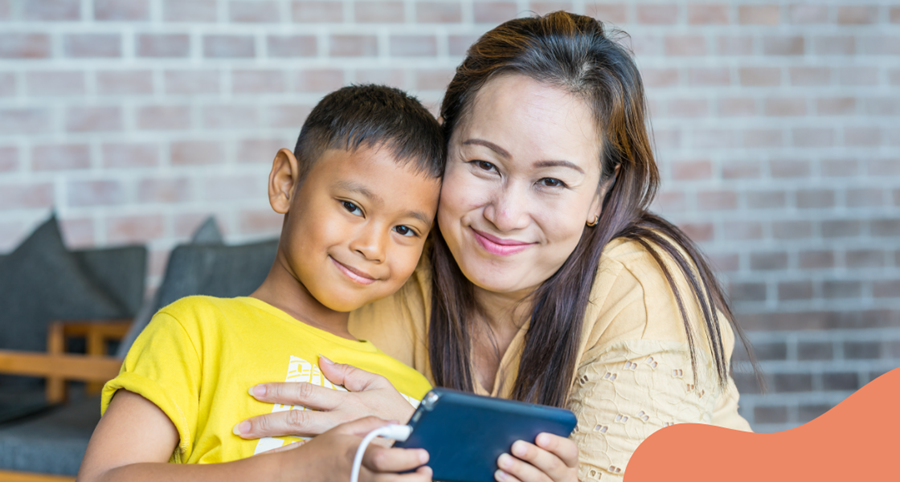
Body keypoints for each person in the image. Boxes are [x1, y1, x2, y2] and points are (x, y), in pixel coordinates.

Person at [232, 12, 758, 482]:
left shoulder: (640, 288)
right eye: (484, 165)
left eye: (550, 181)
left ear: (600, 193)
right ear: (445, 147)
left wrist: (414, 433)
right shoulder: (389, 267)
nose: (505, 215)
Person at [77, 85, 445, 482]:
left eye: (405, 229)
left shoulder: (409, 394)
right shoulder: (196, 331)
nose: (373, 247)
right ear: (286, 183)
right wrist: (298, 469)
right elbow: (103, 477)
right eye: (352, 206)